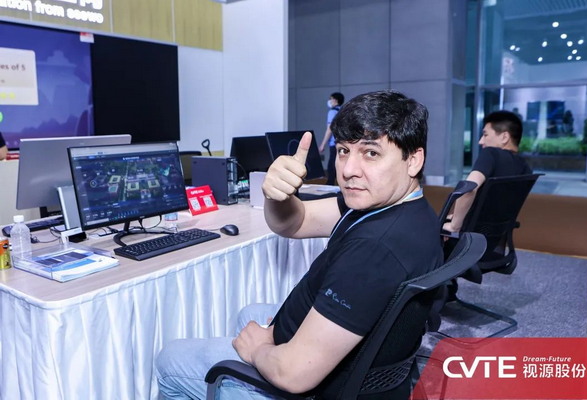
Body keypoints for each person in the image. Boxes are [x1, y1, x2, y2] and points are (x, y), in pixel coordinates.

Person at [155, 90, 443, 399]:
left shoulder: (375, 250)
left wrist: (259, 349)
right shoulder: (398, 208)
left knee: (170, 359)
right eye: (344, 151)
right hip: (354, 362)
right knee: (249, 313)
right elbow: (295, 222)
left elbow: (293, 375)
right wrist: (277, 195)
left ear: (413, 160)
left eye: (371, 153)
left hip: (312, 384)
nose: (348, 170)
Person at [443, 110, 532, 234]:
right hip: (494, 238)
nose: (481, 141)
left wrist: (454, 226)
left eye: (485, 135)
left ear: (504, 137)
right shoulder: (525, 168)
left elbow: (469, 188)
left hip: (469, 238)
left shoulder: (491, 153)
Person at [318, 92, 344, 185]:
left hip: (334, 142)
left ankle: (330, 184)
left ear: (335, 100)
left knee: (332, 164)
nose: (329, 101)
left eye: (331, 98)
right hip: (342, 141)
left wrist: (322, 144)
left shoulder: (332, 112)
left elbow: (329, 129)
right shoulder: (343, 111)